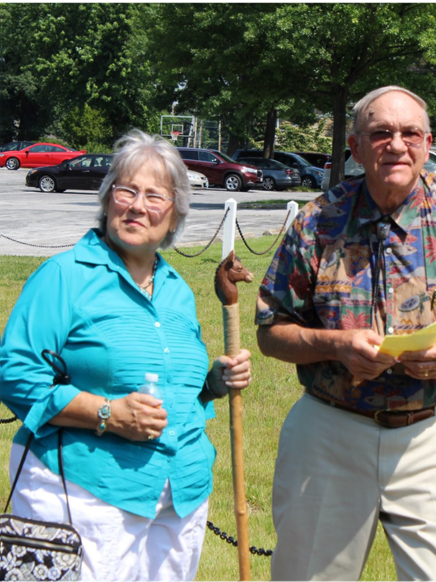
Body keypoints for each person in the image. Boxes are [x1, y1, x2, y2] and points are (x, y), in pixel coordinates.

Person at [255, 86, 436, 582]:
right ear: (356, 148)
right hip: (330, 433)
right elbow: (271, 329)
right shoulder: (319, 219)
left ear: (427, 143)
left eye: (409, 133)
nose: (396, 145)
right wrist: (335, 345)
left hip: (428, 433)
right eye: (380, 133)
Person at [0, 130, 252, 582]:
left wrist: (212, 383)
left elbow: (172, 387)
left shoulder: (176, 290)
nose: (137, 206)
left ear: (174, 215)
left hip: (182, 494)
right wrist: (107, 413)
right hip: (86, 494)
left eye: (155, 196)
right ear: (107, 199)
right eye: (126, 190)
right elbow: (16, 375)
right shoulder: (63, 277)